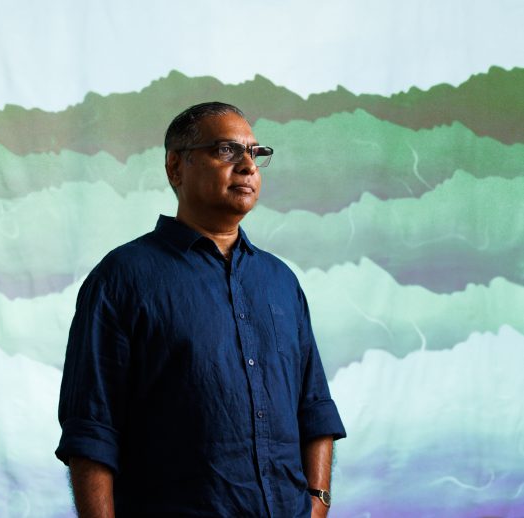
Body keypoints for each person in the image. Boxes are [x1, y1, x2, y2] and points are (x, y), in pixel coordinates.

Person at [56, 102, 346, 517]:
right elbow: (91, 431)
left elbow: (314, 408)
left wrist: (317, 504)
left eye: (256, 153)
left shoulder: (281, 282)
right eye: (227, 150)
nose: (248, 166)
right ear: (176, 167)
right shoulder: (122, 279)